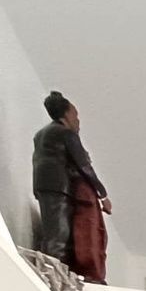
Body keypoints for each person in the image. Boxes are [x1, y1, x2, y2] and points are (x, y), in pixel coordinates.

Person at [31, 91, 112, 274]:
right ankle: (51, 274)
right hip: (59, 187)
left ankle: (50, 268)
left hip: (43, 185)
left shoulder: (40, 134)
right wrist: (102, 195)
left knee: (52, 230)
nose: (78, 120)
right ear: (67, 115)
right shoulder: (66, 133)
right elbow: (83, 165)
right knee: (59, 234)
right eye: (75, 115)